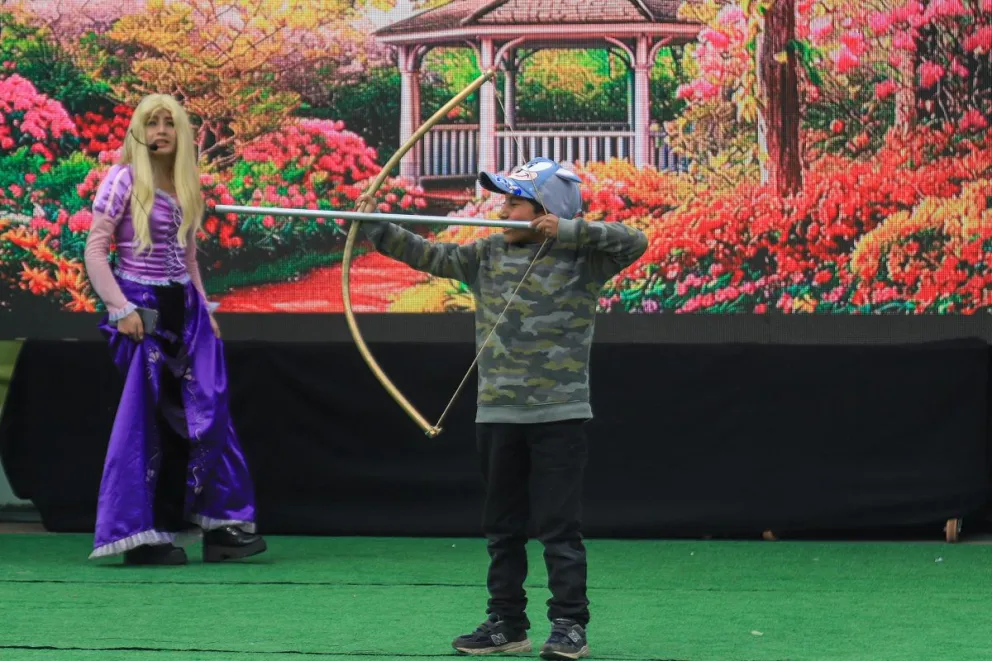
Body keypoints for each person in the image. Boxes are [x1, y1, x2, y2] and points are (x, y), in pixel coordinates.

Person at [357, 157, 648, 660]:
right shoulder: (487, 253)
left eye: (512, 202)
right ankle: (507, 623)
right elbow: (428, 255)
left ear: (545, 210)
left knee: (559, 528)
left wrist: (570, 229)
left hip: (560, 413)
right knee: (503, 528)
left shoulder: (584, 258)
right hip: (497, 414)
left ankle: (569, 625)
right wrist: (374, 227)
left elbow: (636, 241)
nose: (500, 210)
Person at [83, 94, 265, 565]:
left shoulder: (184, 185)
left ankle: (220, 528)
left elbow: (187, 259)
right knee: (147, 422)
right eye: (152, 122)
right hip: (139, 311)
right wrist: (120, 308)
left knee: (207, 412)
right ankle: (141, 535)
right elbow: (95, 251)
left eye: (169, 123)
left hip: (185, 310)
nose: (161, 130)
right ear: (138, 130)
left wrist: (206, 309)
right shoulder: (122, 179)